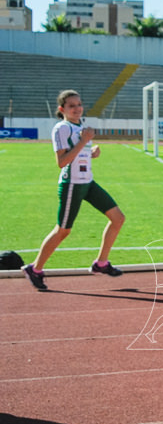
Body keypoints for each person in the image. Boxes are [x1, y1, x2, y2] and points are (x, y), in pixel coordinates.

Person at [22, 90, 127, 291]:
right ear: (62, 109)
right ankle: (35, 269)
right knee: (63, 230)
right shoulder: (61, 128)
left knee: (118, 218)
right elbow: (62, 162)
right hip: (72, 185)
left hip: (88, 183)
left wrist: (91, 152)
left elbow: (78, 155)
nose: (77, 108)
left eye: (79, 104)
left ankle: (101, 264)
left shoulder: (81, 126)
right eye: (72, 106)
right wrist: (83, 141)